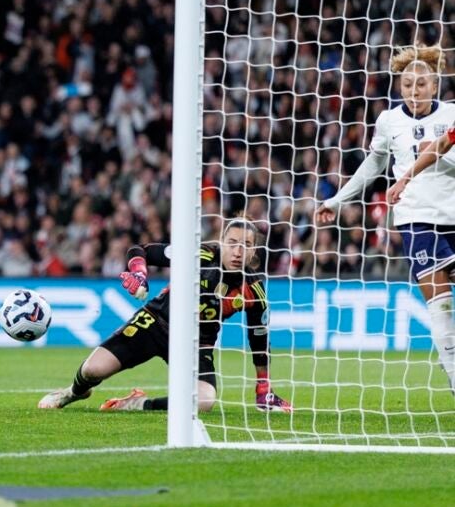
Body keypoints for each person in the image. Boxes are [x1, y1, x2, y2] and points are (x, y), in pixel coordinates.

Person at [38, 218, 291, 413]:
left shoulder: (253, 291)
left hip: (196, 343)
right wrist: (139, 273)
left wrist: (263, 389)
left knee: (204, 401)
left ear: (254, 251)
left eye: (246, 245)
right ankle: (72, 392)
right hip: (155, 322)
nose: (237, 251)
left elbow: (259, 340)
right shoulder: (199, 254)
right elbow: (140, 249)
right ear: (221, 242)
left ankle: (137, 404)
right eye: (232, 243)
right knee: (92, 370)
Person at [318, 43, 455, 391]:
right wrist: (337, 200)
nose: (414, 91)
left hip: (452, 213)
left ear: (435, 85)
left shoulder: (451, 115)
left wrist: (437, 154)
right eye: (407, 85)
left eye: (421, 84)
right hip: (416, 219)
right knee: (440, 307)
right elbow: (373, 166)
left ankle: (449, 354)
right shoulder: (389, 120)